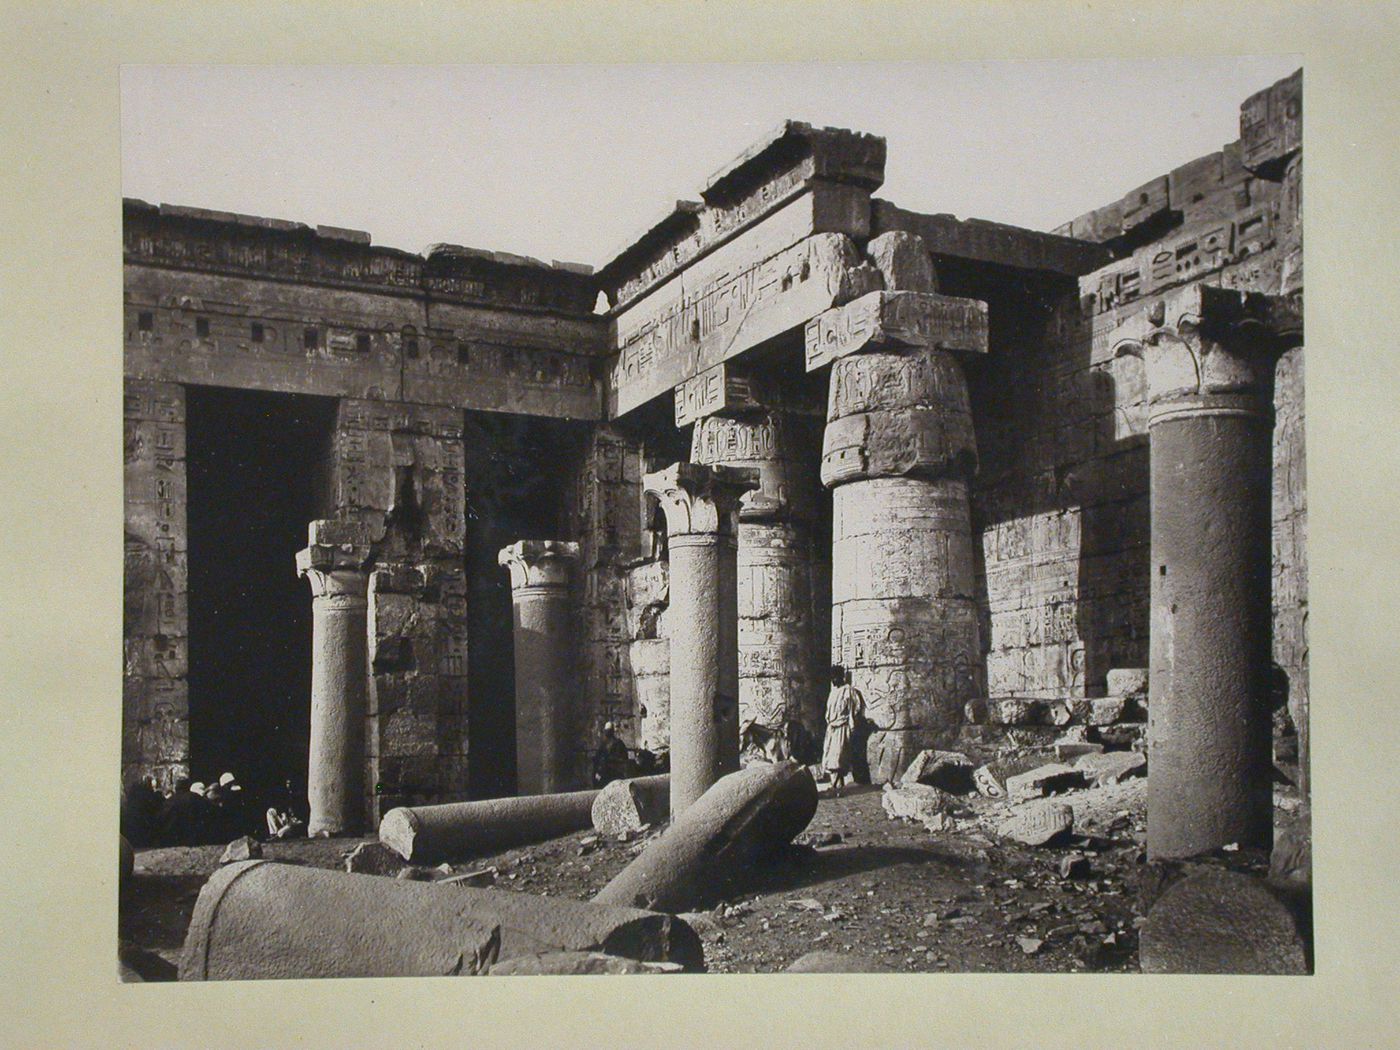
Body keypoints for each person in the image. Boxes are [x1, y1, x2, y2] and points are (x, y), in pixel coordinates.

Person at [822, 665, 864, 797]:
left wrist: (851, 723)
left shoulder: (848, 691)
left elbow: (856, 708)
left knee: (839, 757)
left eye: (835, 677)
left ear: (841, 677)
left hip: (842, 727)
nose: (833, 680)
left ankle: (836, 786)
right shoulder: (833, 692)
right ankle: (837, 786)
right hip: (832, 728)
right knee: (830, 758)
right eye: (832, 678)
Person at [591, 721, 631, 787]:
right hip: (609, 772)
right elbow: (598, 758)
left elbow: (623, 759)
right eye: (606, 730)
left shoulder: (617, 743)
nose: (607, 732)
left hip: (612, 772)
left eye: (608, 730)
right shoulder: (604, 744)